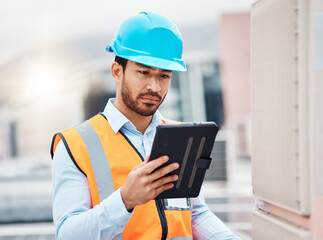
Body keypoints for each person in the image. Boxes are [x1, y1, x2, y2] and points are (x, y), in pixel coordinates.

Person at [51, 11, 240, 240]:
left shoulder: (181, 137)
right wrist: (125, 200)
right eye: (143, 72)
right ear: (117, 72)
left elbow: (195, 213)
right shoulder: (75, 145)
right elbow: (68, 235)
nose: (155, 87)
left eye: (164, 76)